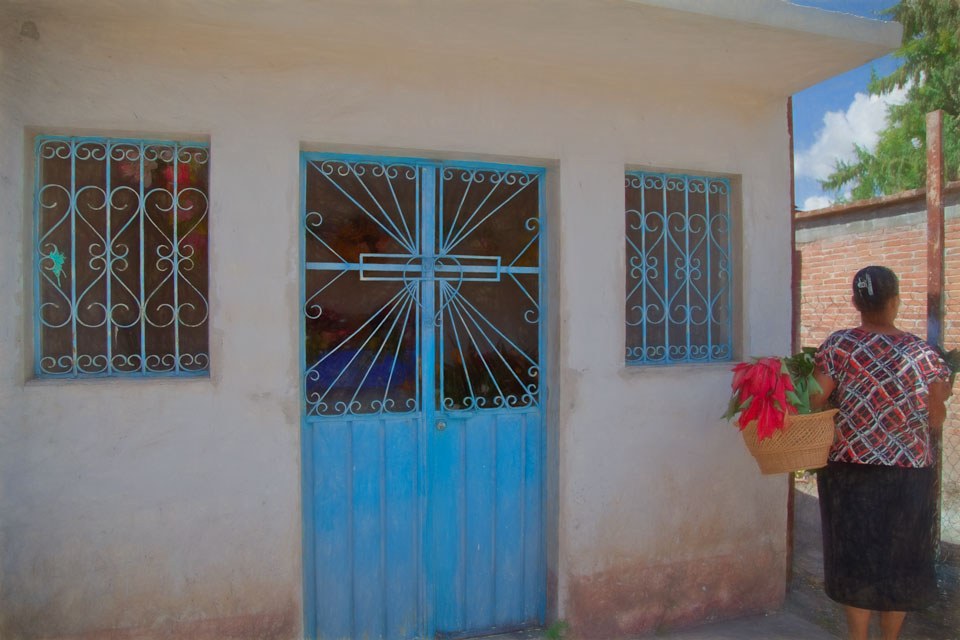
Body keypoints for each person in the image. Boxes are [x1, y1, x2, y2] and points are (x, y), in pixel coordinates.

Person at [810, 265, 952, 640]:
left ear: (856, 302)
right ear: (895, 301)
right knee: (900, 561)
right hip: (908, 474)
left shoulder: (839, 345)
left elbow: (814, 397)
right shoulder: (924, 355)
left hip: (849, 470)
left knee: (855, 557)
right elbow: (935, 422)